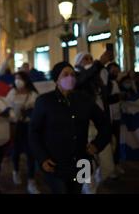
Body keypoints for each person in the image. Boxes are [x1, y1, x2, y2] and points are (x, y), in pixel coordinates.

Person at [29, 62, 111, 194]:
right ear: (56, 79)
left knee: (77, 191)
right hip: (55, 163)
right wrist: (42, 157)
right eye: (65, 75)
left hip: (82, 162)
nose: (70, 78)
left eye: (73, 74)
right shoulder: (44, 101)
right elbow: (34, 132)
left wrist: (97, 145)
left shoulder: (85, 99)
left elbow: (105, 124)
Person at [74, 51, 115, 192]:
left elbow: (103, 101)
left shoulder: (96, 78)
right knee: (84, 163)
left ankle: (92, 184)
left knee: (108, 166)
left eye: (91, 58)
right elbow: (82, 79)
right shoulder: (76, 77)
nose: (89, 60)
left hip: (100, 126)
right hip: (84, 127)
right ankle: (87, 187)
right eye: (85, 59)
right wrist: (99, 63)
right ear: (77, 63)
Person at [5, 71, 40, 194]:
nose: (17, 81)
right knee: (16, 151)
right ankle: (16, 171)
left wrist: (30, 112)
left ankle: (31, 180)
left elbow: (38, 110)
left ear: (25, 80)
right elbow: (7, 108)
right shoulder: (12, 93)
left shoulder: (32, 94)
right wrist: (14, 115)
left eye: (19, 78)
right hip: (17, 126)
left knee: (31, 153)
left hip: (29, 126)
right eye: (15, 78)